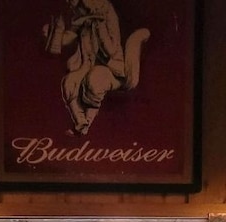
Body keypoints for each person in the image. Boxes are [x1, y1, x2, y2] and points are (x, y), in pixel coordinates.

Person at [45, 0, 150, 136]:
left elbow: (110, 50)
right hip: (86, 66)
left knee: (95, 78)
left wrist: (96, 25)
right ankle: (80, 122)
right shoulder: (82, 17)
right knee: (69, 82)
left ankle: (87, 123)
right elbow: (70, 36)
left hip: (112, 68)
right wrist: (57, 31)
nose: (71, 5)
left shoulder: (105, 14)